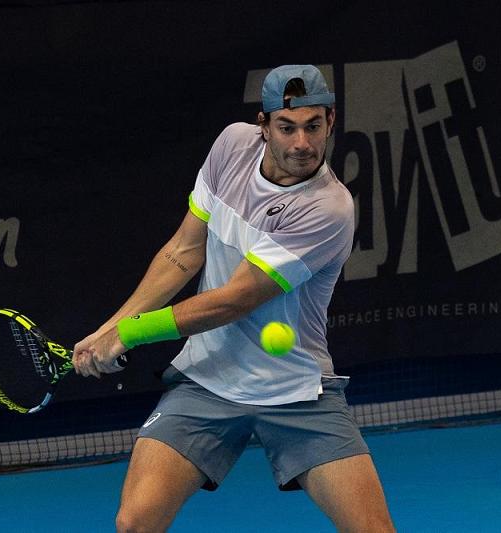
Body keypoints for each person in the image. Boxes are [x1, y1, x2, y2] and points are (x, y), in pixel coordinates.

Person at [72, 64, 396, 533]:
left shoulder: (329, 207)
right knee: (134, 523)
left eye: (313, 126)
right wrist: (108, 330)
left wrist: (131, 333)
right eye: (286, 127)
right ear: (263, 126)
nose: (302, 143)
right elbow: (183, 252)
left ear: (331, 121)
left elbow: (234, 300)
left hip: (295, 390)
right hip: (207, 380)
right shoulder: (230, 147)